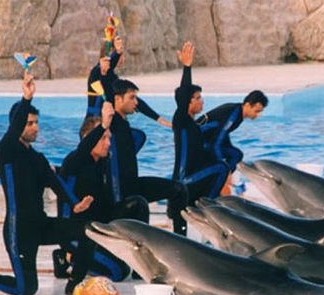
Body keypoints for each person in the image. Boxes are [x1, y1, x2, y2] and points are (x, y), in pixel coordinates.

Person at [0, 72, 96, 295]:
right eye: (29, 124)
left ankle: (74, 284)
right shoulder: (7, 152)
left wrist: (75, 204)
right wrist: (27, 98)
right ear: (17, 126)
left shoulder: (37, 158)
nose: (35, 127)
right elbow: (14, 130)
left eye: (36, 123)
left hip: (40, 225)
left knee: (88, 230)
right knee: (25, 288)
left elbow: (56, 183)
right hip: (19, 231)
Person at [53, 102, 149, 282]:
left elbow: (138, 137)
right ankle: (65, 256)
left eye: (108, 138)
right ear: (88, 138)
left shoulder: (103, 161)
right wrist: (103, 125)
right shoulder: (75, 161)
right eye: (103, 138)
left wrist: (117, 120)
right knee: (118, 272)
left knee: (138, 204)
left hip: (98, 225)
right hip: (75, 232)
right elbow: (84, 148)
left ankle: (142, 265)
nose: (108, 143)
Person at [97, 76, 188, 230]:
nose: (136, 102)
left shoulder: (124, 124)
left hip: (133, 185)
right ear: (117, 99)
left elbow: (142, 108)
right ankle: (143, 240)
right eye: (132, 98)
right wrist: (107, 69)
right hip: (119, 195)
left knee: (179, 189)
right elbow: (105, 84)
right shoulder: (112, 123)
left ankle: (180, 236)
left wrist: (159, 119)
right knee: (140, 204)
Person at [171, 42, 230, 235]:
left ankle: (203, 204)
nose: (202, 101)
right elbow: (183, 96)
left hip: (191, 179)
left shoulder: (192, 125)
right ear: (187, 102)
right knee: (221, 168)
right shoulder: (181, 120)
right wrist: (187, 68)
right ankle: (207, 209)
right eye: (197, 98)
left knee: (218, 164)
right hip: (183, 181)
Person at [86, 36, 171, 128]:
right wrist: (117, 53)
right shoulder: (96, 73)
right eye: (121, 55)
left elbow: (133, 100)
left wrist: (160, 120)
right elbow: (109, 64)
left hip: (107, 123)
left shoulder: (112, 77)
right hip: (93, 125)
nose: (123, 58)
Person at [197, 90, 268, 172]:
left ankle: (223, 176)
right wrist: (221, 164)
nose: (258, 115)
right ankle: (223, 177)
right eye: (257, 111)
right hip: (195, 142)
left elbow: (223, 134)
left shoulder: (237, 111)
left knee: (235, 154)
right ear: (248, 105)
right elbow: (216, 141)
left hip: (204, 140)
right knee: (235, 155)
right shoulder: (233, 114)